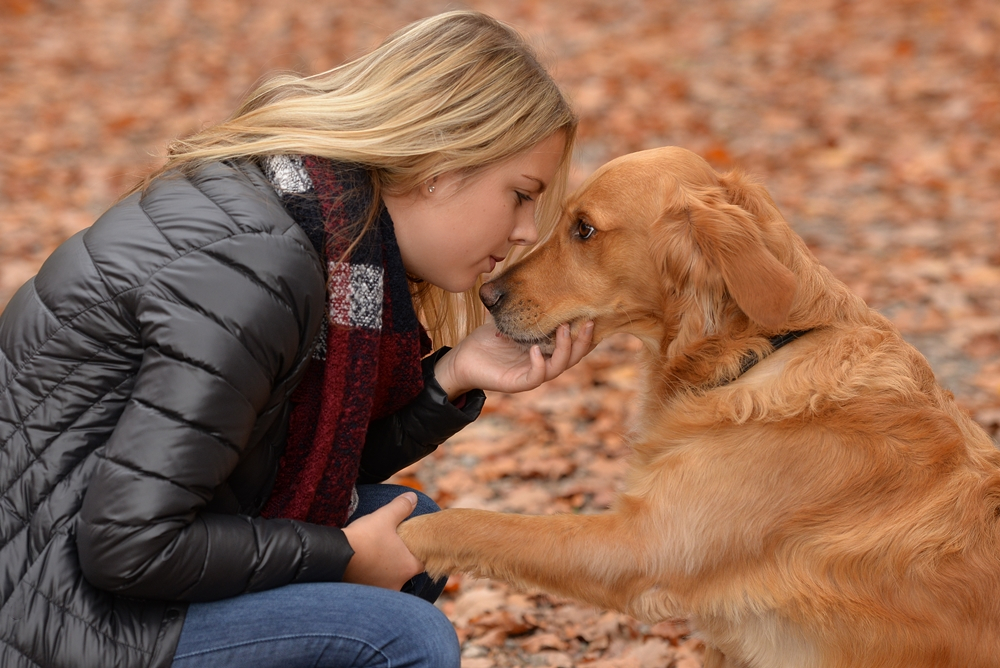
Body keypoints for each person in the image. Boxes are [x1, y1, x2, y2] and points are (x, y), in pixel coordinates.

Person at [0, 11, 594, 668]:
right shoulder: (260, 266)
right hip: (47, 617)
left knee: (414, 528)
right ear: (444, 166)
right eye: (520, 195)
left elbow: (277, 461)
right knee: (402, 636)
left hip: (73, 578)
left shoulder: (311, 223)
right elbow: (129, 545)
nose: (524, 232)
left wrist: (451, 377)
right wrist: (343, 559)